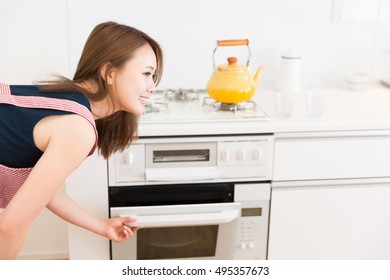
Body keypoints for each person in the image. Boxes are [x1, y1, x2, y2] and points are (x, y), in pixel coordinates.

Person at [0, 21, 163, 259]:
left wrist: (102, 226)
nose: (152, 86)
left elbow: (42, 190)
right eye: (147, 73)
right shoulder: (78, 128)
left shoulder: (65, 100)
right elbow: (10, 227)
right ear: (109, 71)